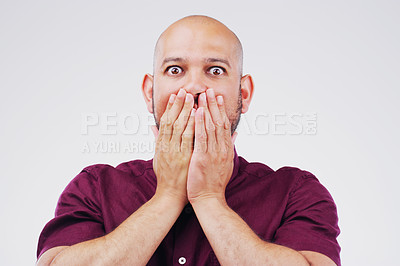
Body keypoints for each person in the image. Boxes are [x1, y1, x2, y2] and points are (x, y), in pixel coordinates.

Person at [37, 15, 341, 265]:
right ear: (149, 92)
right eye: (175, 69)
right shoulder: (94, 187)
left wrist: (209, 200)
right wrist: (167, 195)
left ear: (244, 94)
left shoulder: (295, 192)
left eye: (216, 70)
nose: (194, 85)